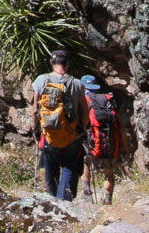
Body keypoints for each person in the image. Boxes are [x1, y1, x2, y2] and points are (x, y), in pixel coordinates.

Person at [31, 50, 88, 202]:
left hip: (49, 132)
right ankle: (64, 201)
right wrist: (82, 128)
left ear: (52, 62)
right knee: (69, 165)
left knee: (51, 164)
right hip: (72, 133)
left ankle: (52, 199)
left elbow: (35, 109)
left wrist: (36, 128)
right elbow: (85, 110)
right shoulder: (77, 84)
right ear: (67, 64)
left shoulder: (41, 80)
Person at [82, 73, 121, 205]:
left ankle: (87, 190)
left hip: (92, 139)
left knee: (86, 162)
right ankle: (107, 199)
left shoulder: (84, 99)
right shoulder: (108, 98)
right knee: (108, 170)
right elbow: (118, 122)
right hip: (110, 140)